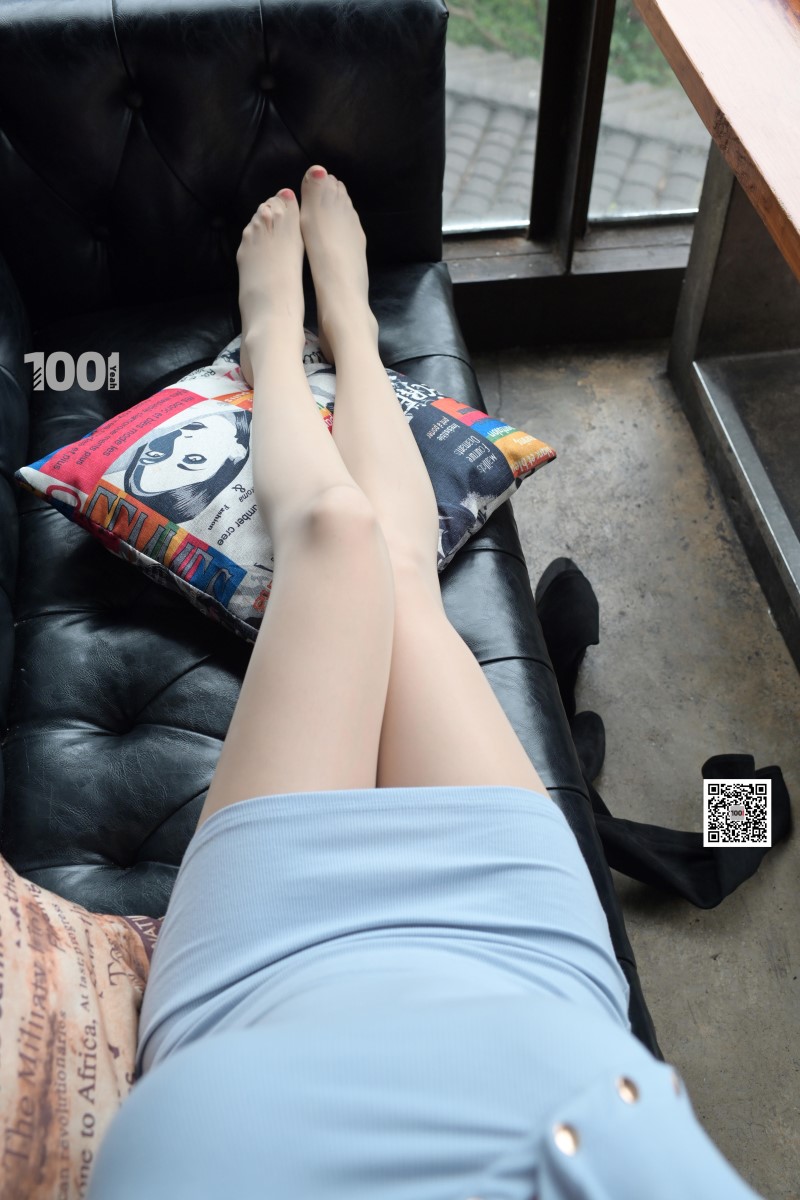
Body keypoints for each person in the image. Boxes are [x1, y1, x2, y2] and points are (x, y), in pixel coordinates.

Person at [85, 165, 765, 1200]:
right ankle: (351, 334)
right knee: (390, 567)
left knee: (334, 535)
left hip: (261, 967)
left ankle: (274, 345)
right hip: (516, 943)